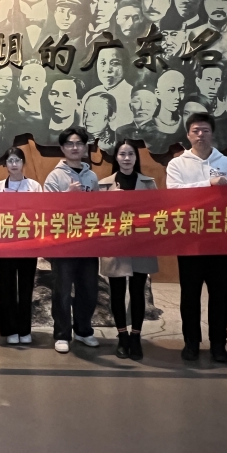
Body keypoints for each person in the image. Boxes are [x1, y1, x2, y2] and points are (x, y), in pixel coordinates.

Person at [165, 113, 227, 363]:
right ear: (188, 135)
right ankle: (191, 342)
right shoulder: (177, 164)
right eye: (196, 130)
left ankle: (219, 344)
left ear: (212, 133)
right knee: (190, 295)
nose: (201, 135)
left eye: (205, 130)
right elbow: (174, 194)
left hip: (220, 240)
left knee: (220, 295)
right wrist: (208, 184)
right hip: (189, 239)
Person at [97, 141, 159, 361]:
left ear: (136, 157)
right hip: (115, 245)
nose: (126, 158)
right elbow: (98, 217)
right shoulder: (104, 185)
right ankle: (122, 337)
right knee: (116, 293)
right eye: (122, 154)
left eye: (130, 154)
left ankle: (136, 337)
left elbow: (158, 213)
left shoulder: (148, 183)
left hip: (141, 244)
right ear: (116, 157)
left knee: (137, 291)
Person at [44, 127, 100, 353]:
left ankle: (84, 331)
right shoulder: (54, 176)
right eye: (69, 143)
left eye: (79, 143)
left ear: (85, 147)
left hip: (88, 242)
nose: (74, 147)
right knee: (62, 290)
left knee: (89, 289)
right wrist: (67, 197)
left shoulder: (92, 177)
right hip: (63, 243)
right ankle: (62, 334)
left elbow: (98, 210)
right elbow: (47, 210)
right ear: (62, 148)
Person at [0, 148, 42, 344]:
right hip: (5, 244)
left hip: (28, 244)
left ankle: (25, 330)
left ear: (23, 163)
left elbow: (42, 212)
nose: (14, 164)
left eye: (17, 160)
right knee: (7, 287)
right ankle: (10, 329)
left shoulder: (34, 186)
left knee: (26, 287)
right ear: (5, 164)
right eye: (10, 160)